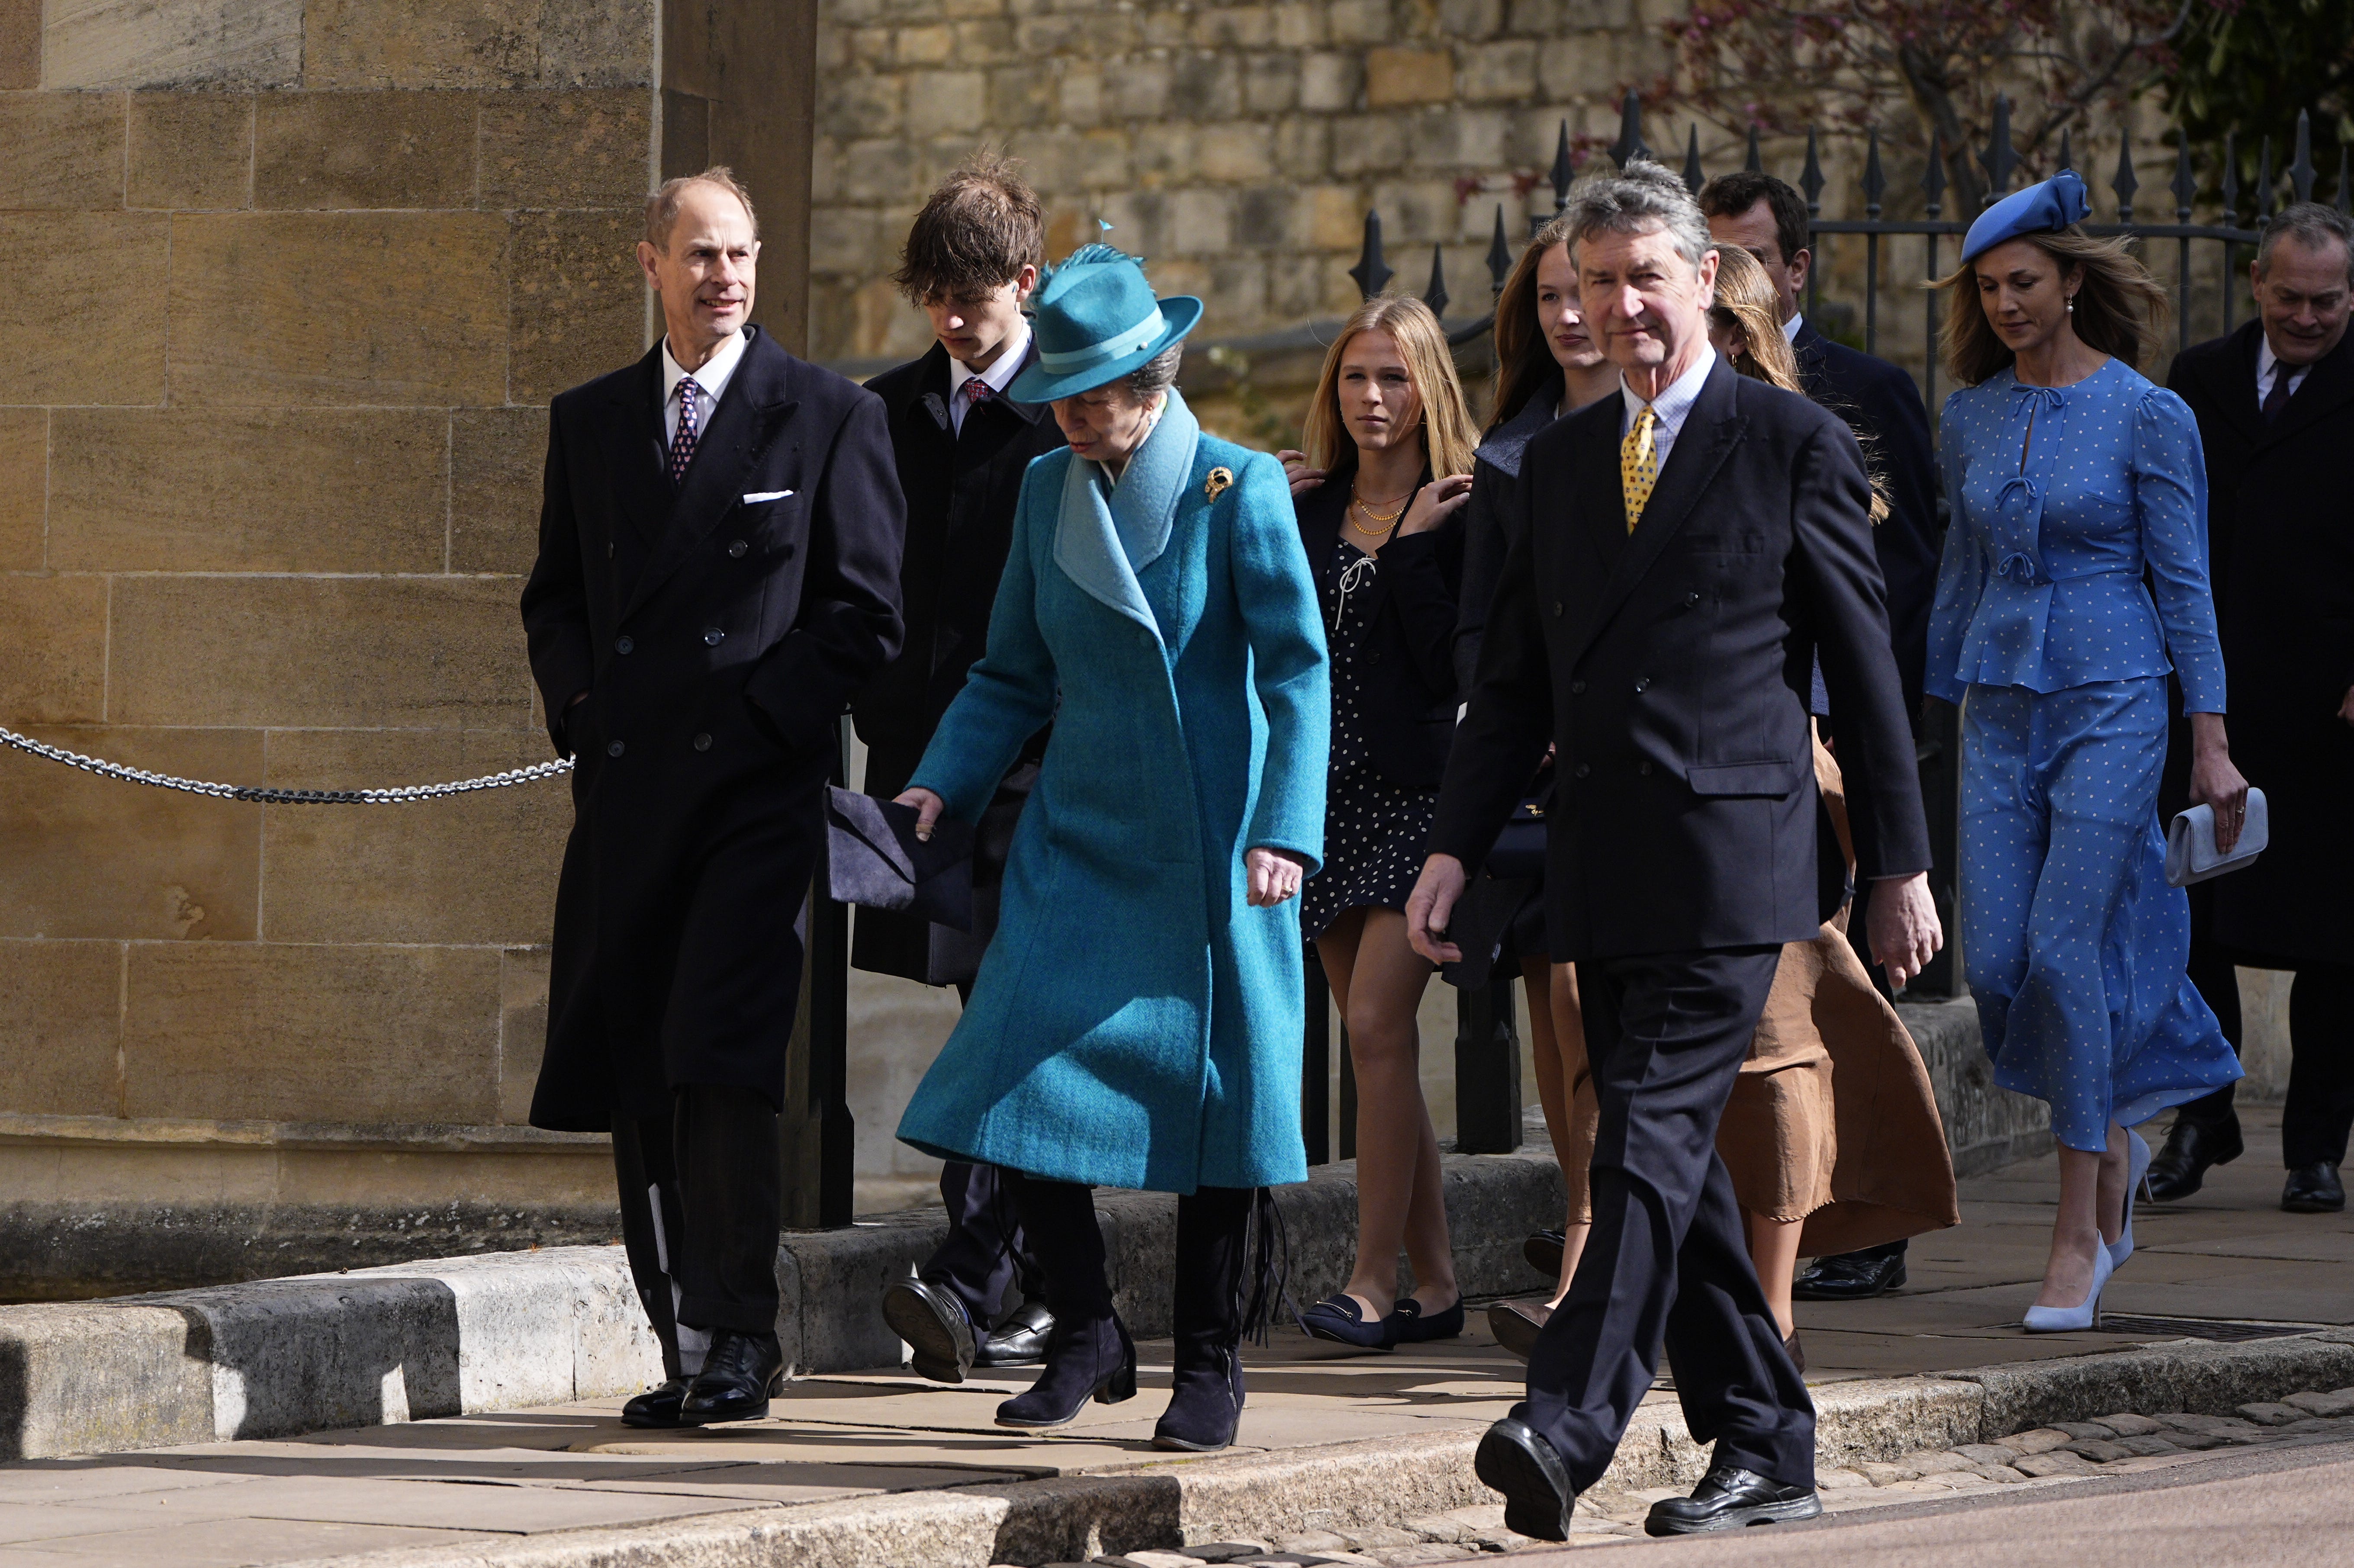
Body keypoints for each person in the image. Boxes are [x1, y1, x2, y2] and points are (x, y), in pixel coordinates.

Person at [1409, 161, 1938, 1540]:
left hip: (1735, 857)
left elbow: (1865, 676)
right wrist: (1453, 848)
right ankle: (1769, 1442)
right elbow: (1515, 685)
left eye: (1648, 276)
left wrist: (1899, 864)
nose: (1621, 307)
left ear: (1707, 280)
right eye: (1597, 283)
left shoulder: (1790, 441)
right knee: (1683, 1171)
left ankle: (1566, 1421)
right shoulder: (1561, 460)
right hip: (1603, 860)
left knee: (1640, 1135)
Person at [891, 244, 1329, 1454]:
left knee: (1220, 1116)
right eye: (1064, 396)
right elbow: (1010, 673)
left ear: (1155, 377)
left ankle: (1209, 1363)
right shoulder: (1047, 493)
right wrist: (940, 783)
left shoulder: (1237, 489)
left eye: (1099, 394)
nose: (1076, 414)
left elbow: (1298, 672)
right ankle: (1086, 1324)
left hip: (1220, 851)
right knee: (1006, 1077)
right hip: (1077, 840)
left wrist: (1288, 827)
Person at [520, 168, 905, 1428]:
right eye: (699, 255)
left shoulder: (828, 414)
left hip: (753, 798)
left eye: (740, 253)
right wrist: (582, 712)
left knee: (720, 1058)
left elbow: (862, 614)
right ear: (651, 264)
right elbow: (557, 600)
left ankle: (743, 1334)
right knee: (638, 1063)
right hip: (629, 800)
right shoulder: (590, 422)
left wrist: (757, 722)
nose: (724, 277)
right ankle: (679, 1336)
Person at [1924, 171, 2248, 1331]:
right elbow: (1960, 573)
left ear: (2070, 281)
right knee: (2001, 965)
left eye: (2026, 281)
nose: (2008, 303)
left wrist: (2210, 746)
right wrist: (1925, 707)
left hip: (2119, 693)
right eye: (1990, 288)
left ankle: (2083, 1230)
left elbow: (2188, 584)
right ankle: (2108, 1125)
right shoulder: (1969, 417)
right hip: (2000, 707)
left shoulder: (2148, 414)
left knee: (2067, 953)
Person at [1702, 171, 1946, 1303]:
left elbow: (1889, 599)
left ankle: (1849, 1230)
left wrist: (1886, 817)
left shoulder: (1852, 403)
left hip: (1817, 750)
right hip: (1705, 775)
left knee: (1819, 1011)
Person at [856, 154, 1067, 1382]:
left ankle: (971, 1273)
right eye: (933, 295)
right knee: (980, 1010)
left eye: (972, 299)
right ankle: (1034, 1288)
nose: (951, 320)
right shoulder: (881, 410)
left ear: (1025, 284)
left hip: (1044, 764)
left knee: (1011, 1011)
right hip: (920, 761)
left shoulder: (1070, 406)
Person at [1274, 296, 1475, 1351]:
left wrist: (1412, 555)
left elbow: (1461, 666)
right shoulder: (1303, 508)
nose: (1371, 399)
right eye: (1355, 378)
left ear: (1427, 387)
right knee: (1378, 1049)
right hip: (1320, 798)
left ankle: (1368, 1278)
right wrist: (1257, 503)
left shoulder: (1465, 510)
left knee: (1372, 1029)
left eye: (1393, 378)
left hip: (1418, 803)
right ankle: (1439, 1285)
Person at [2155, 202, 2354, 1215]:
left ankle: (2315, 1145)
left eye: (2327, 300)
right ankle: (2204, 1112)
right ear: (2255, 288)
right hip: (2207, 696)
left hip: (2331, 704)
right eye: (2290, 298)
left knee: (2332, 938)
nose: (2309, 317)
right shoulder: (2197, 379)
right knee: (2194, 914)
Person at [1452, 213, 1619, 1354]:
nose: (1570, 315)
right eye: (1550, 297)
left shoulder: (1679, 426)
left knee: (1605, 1015)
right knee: (1556, 1017)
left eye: (1584, 292)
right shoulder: (1510, 451)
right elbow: (1486, 636)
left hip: (1651, 777)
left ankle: (1598, 1255)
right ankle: (1582, 1225)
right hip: (1541, 782)